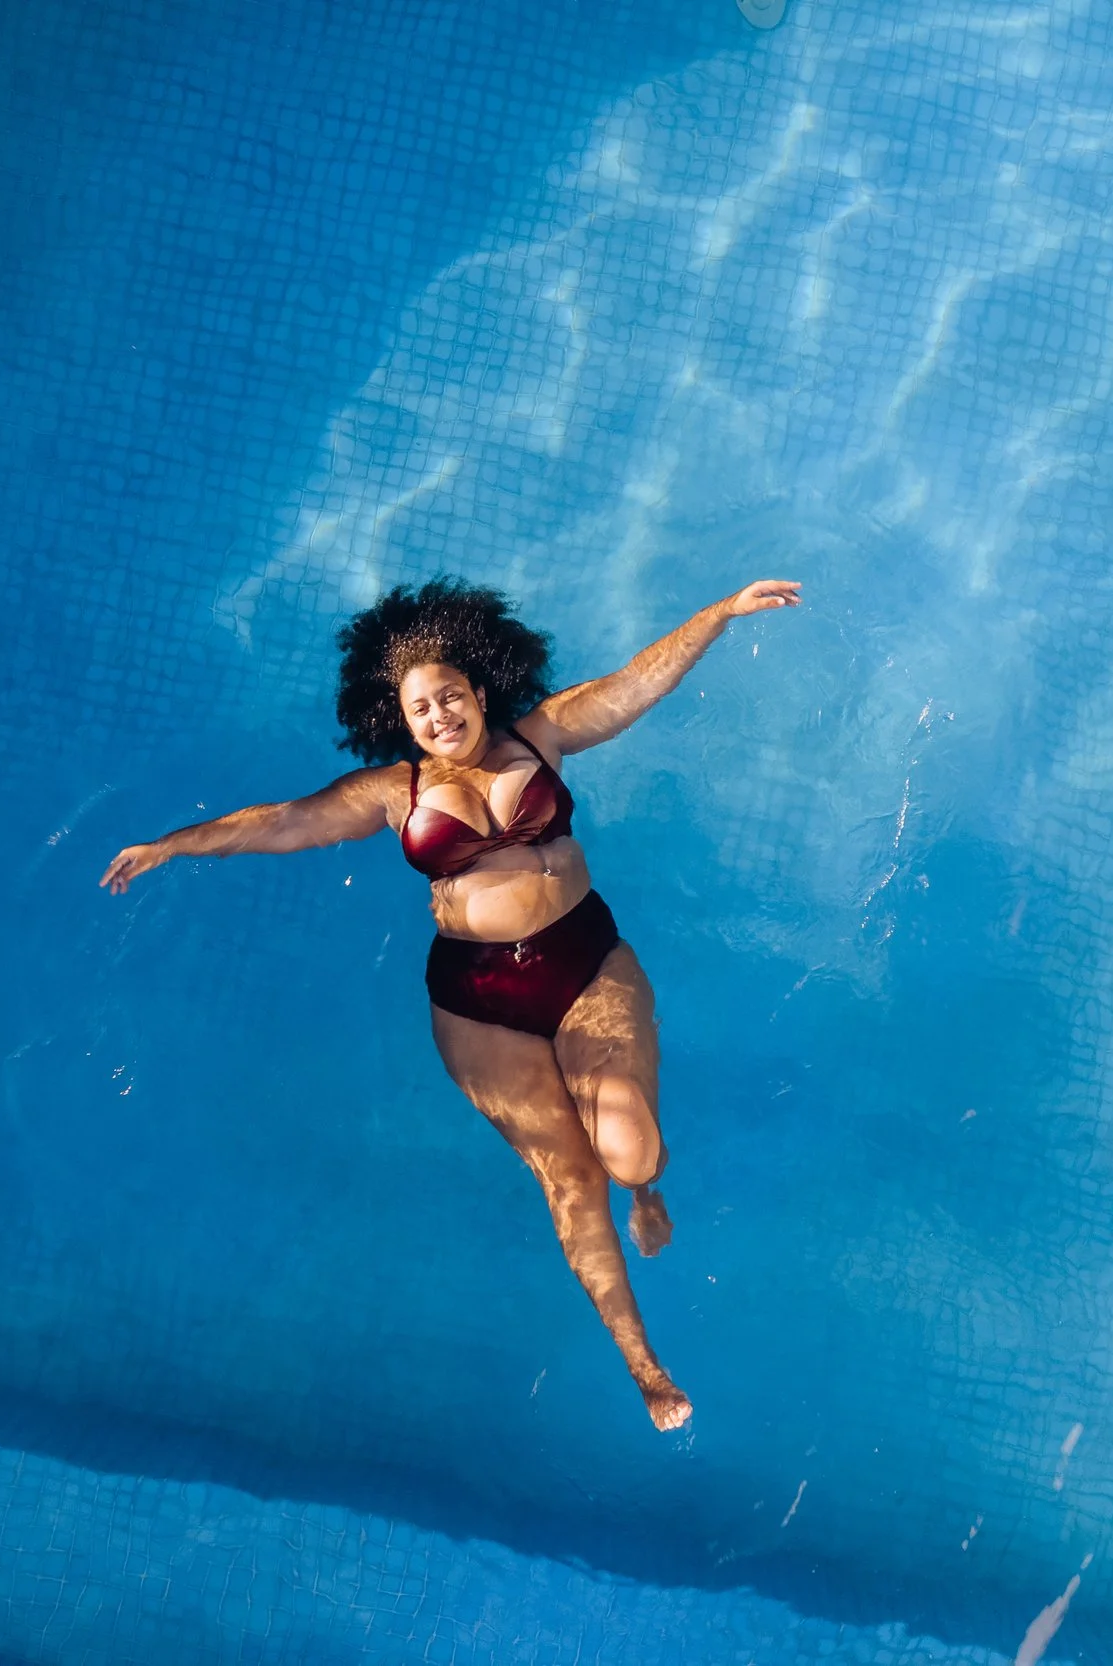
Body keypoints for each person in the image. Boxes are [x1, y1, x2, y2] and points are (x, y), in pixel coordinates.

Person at [102, 577, 801, 1429]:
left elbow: (635, 684)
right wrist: (170, 847)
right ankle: (645, 1364)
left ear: (478, 689)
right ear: (398, 721)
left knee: (627, 1153)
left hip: (585, 965)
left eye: (449, 696)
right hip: (479, 1005)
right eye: (419, 708)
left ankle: (649, 1193)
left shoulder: (539, 736)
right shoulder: (393, 793)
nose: (438, 716)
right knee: (572, 1181)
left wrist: (718, 613)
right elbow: (281, 821)